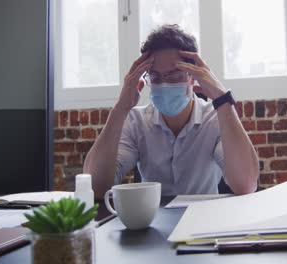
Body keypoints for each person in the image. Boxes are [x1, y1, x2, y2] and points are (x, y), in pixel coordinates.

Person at [83, 24, 259, 198]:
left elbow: (245, 185)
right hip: (150, 220)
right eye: (156, 77)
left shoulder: (215, 119)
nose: (164, 83)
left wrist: (222, 99)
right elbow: (95, 187)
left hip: (204, 219)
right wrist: (120, 108)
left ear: (193, 77)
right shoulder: (135, 121)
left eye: (175, 75)